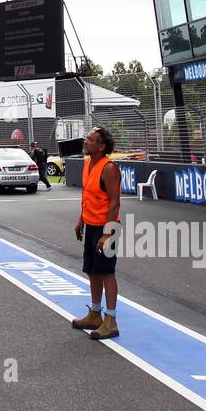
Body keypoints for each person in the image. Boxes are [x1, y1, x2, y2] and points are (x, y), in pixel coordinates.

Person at [72, 126, 121, 340]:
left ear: (101, 146)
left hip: (106, 228)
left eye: (90, 139)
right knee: (92, 270)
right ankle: (95, 313)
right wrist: (81, 219)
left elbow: (114, 203)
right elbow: (88, 195)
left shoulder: (109, 168)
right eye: (87, 138)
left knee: (106, 272)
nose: (86, 141)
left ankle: (110, 320)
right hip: (91, 225)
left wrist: (108, 233)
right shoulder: (87, 164)